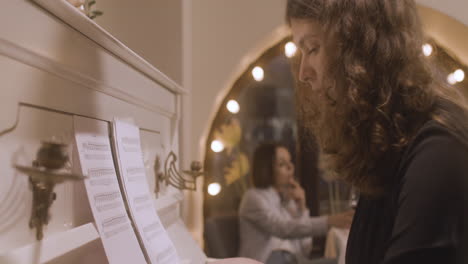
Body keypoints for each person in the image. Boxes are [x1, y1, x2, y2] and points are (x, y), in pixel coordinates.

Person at [285, 0, 468, 264]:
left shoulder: (439, 151)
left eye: (312, 48)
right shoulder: (389, 147)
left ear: (359, 48)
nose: (303, 73)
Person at [238, 142, 353, 264]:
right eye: (282, 164)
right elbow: (282, 228)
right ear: (266, 168)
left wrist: (302, 207)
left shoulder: (287, 201)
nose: (290, 168)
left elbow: (306, 248)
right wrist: (328, 221)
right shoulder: (253, 197)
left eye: (290, 162)